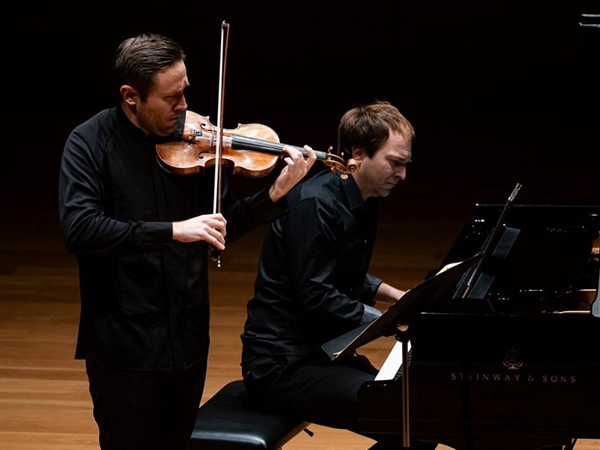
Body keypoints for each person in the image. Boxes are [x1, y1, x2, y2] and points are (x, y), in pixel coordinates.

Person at [57, 32, 316, 450]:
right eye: (171, 97)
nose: (184, 106)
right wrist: (174, 230)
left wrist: (272, 195)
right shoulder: (88, 144)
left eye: (185, 91)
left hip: (189, 338)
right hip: (127, 346)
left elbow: (218, 223)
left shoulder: (194, 141)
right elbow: (81, 229)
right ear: (131, 96)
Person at [240, 100, 436, 449]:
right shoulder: (316, 204)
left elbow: (344, 272)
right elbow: (316, 295)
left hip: (320, 352)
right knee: (410, 421)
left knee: (420, 420)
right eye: (395, 163)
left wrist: (397, 296)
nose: (403, 175)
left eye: (406, 164)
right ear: (358, 154)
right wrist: (390, 321)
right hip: (281, 366)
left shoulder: (365, 198)